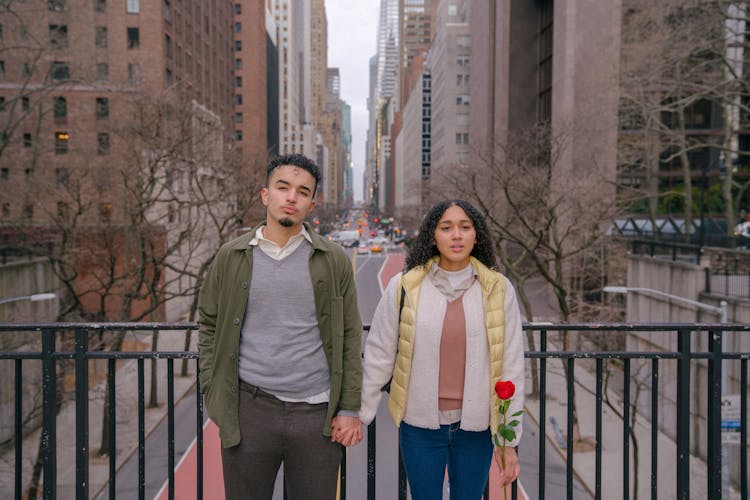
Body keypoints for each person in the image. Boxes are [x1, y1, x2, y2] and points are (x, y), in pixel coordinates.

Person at [198, 153, 363, 500]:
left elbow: (349, 335)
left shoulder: (333, 260)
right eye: (283, 187)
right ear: (265, 195)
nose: (292, 197)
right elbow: (209, 325)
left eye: (303, 191)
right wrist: (213, 394)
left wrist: (348, 409)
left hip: (316, 415)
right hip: (250, 411)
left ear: (312, 204)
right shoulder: (231, 256)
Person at [359, 199, 525, 499]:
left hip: (476, 427)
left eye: (465, 227)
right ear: (433, 236)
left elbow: (511, 366)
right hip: (420, 424)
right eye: (446, 228)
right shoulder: (404, 286)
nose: (457, 235)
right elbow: (379, 354)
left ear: (477, 236)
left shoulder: (498, 289)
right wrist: (359, 414)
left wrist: (507, 440)